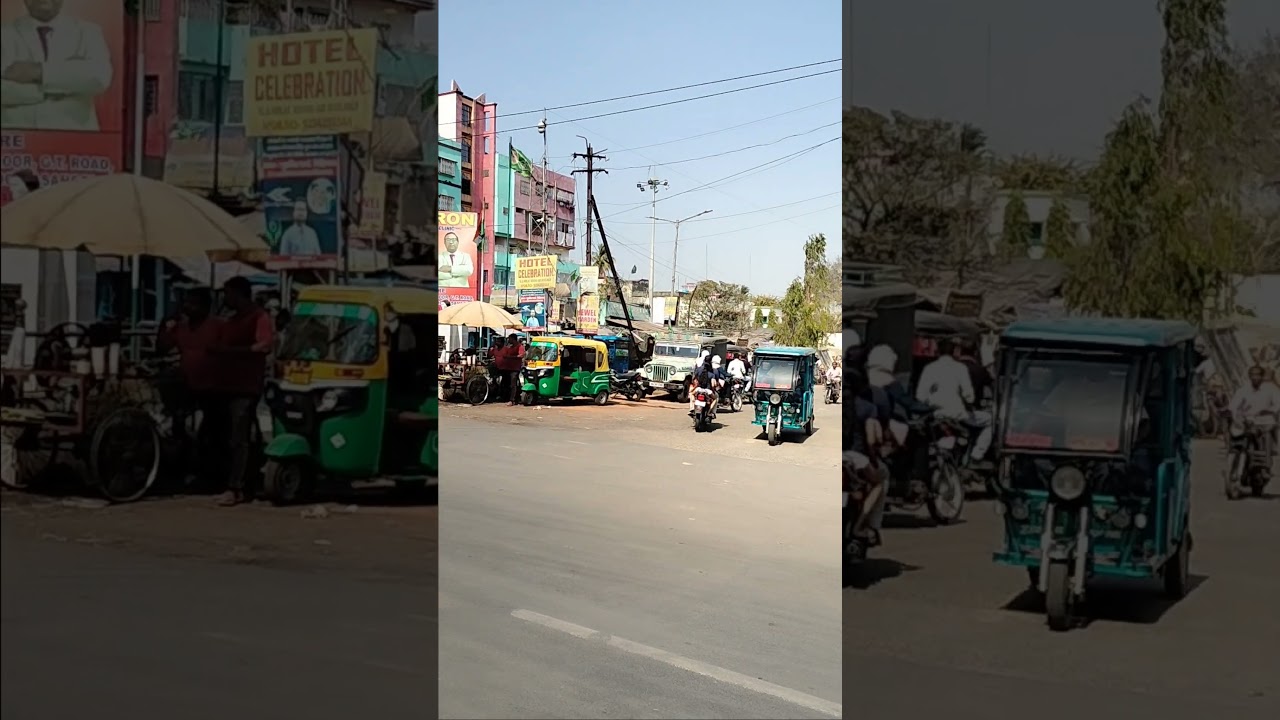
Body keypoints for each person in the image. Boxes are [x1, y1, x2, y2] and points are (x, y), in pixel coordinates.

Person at [1, 0, 113, 132]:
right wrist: (67, 81)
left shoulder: (88, 31)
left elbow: (99, 78)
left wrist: (40, 72)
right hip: (18, 142)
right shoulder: (5, 33)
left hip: (77, 139)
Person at [210, 277, 274, 506]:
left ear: (239, 294)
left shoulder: (259, 317)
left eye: (228, 294)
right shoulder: (232, 320)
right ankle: (243, 481)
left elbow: (265, 345)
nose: (225, 299)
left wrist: (233, 351)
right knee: (227, 435)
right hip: (226, 384)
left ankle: (236, 487)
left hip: (245, 386)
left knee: (240, 437)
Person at [916, 338, 992, 463]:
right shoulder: (960, 368)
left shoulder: (929, 368)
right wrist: (968, 403)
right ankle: (977, 454)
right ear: (955, 352)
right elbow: (969, 396)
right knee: (991, 420)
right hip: (958, 414)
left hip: (936, 414)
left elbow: (920, 396)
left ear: (937, 352)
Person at [1230, 364, 1280, 471]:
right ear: (1249, 376)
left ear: (1262, 376)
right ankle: (1234, 464)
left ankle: (1266, 465)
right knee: (1237, 439)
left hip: (1265, 421)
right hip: (1248, 422)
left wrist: (1268, 410)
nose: (1255, 377)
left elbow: (1277, 404)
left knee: (1266, 436)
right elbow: (1234, 405)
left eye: (1257, 375)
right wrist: (1237, 416)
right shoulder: (1243, 389)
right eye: (1252, 375)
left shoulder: (1271, 389)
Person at [499, 335, 525, 404]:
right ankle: (506, 397)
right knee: (506, 383)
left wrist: (511, 357)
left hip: (515, 368)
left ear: (513, 339)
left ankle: (512, 400)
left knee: (513, 384)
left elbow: (521, 355)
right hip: (508, 367)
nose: (508, 341)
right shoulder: (510, 347)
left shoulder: (520, 347)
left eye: (510, 339)